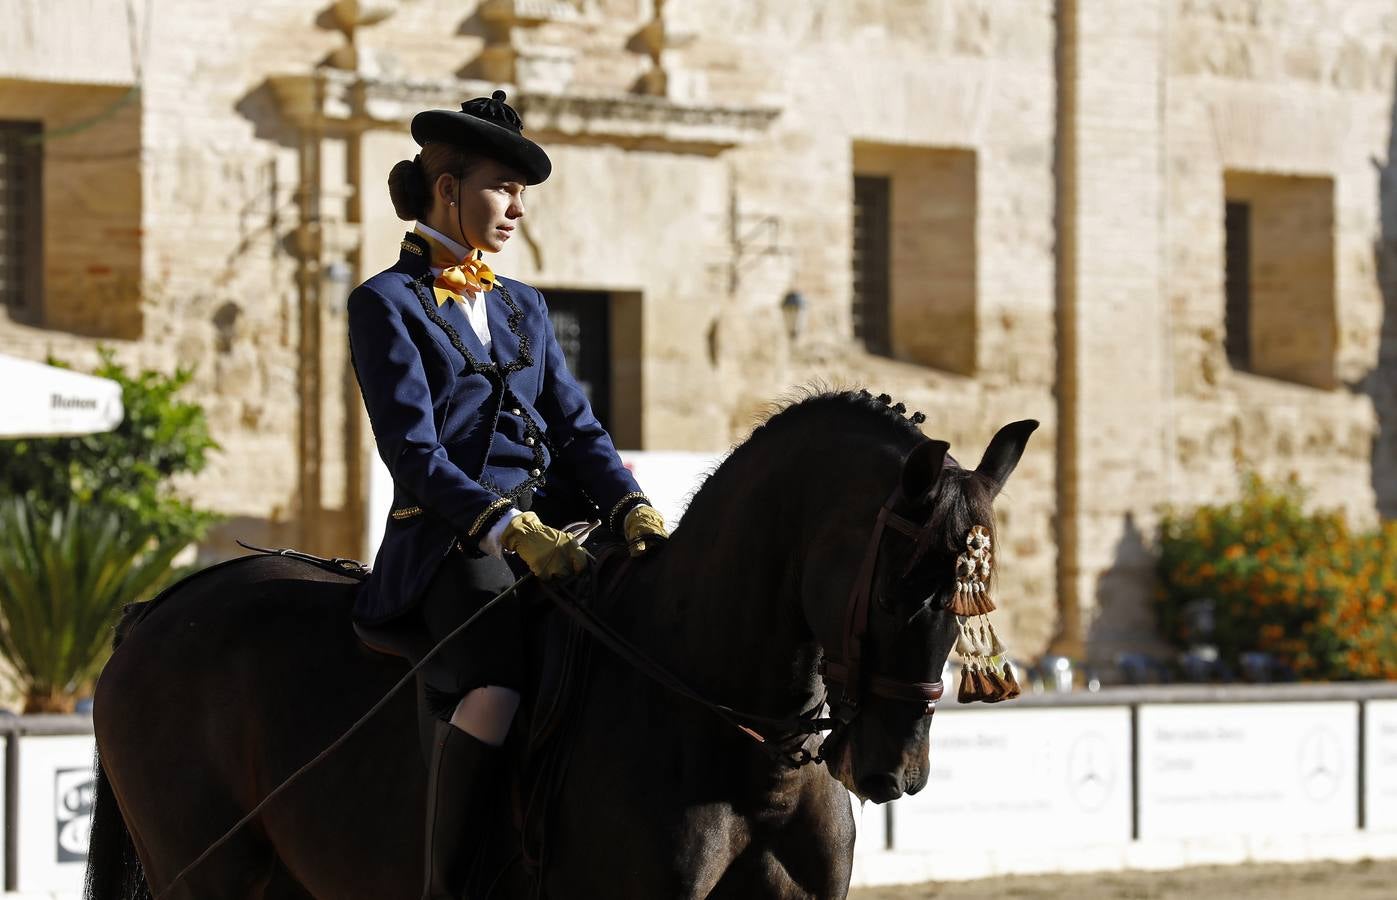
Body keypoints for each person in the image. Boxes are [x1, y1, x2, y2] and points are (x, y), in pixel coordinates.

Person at [345, 90, 668, 899]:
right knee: (495, 687)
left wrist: (629, 503)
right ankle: (451, 881)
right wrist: (505, 527)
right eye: (502, 188)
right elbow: (411, 451)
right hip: (452, 543)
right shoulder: (384, 303)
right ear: (447, 190)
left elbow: (578, 423)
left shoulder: (522, 302)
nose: (517, 208)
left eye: (523, 194)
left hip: (563, 528)